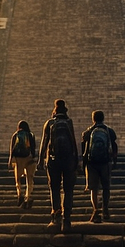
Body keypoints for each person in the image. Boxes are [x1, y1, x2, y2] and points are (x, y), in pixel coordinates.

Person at [38, 99, 78, 233]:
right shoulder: (69, 122)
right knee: (68, 190)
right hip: (68, 160)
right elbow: (73, 142)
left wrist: (40, 160)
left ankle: (55, 218)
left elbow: (44, 143)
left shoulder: (49, 123)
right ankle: (67, 220)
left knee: (54, 188)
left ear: (54, 110)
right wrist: (76, 161)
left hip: (53, 160)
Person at [81, 110, 118, 223]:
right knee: (106, 187)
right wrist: (114, 161)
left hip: (92, 163)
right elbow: (114, 147)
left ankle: (96, 210)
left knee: (94, 188)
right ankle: (105, 209)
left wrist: (83, 162)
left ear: (93, 119)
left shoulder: (88, 132)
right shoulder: (109, 131)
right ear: (103, 118)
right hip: (105, 162)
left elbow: (84, 146)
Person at [8, 120, 37, 208]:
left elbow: (12, 149)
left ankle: (20, 194)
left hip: (18, 158)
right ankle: (28, 197)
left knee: (18, 179)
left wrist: (10, 160)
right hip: (29, 158)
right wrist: (34, 157)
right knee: (29, 178)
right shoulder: (30, 135)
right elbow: (33, 147)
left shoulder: (15, 135)